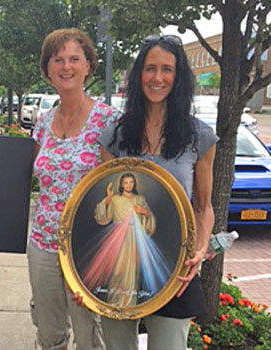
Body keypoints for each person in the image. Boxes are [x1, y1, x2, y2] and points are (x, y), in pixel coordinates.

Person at [96, 34, 217, 350]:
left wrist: (200, 249)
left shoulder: (199, 137)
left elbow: (203, 206)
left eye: (167, 69)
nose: (158, 78)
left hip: (176, 268)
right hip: (121, 266)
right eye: (150, 69)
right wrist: (88, 272)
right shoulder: (115, 136)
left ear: (178, 79)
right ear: (139, 75)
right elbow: (101, 204)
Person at [28, 28, 119, 350]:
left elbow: (120, 186)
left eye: (74, 59)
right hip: (43, 242)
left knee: (89, 335)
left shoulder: (108, 120)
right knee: (49, 332)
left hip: (89, 247)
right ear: (48, 69)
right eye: (58, 59)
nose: (66, 66)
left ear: (88, 66)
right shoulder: (43, 121)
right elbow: (21, 176)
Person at [85, 173, 167, 308]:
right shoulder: (116, 199)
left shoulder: (139, 199)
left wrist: (144, 212)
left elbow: (149, 217)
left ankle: (129, 305)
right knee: (117, 270)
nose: (129, 185)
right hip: (118, 237)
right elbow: (102, 216)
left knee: (132, 272)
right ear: (121, 185)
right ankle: (114, 303)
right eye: (126, 182)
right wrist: (108, 198)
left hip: (134, 238)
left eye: (131, 182)